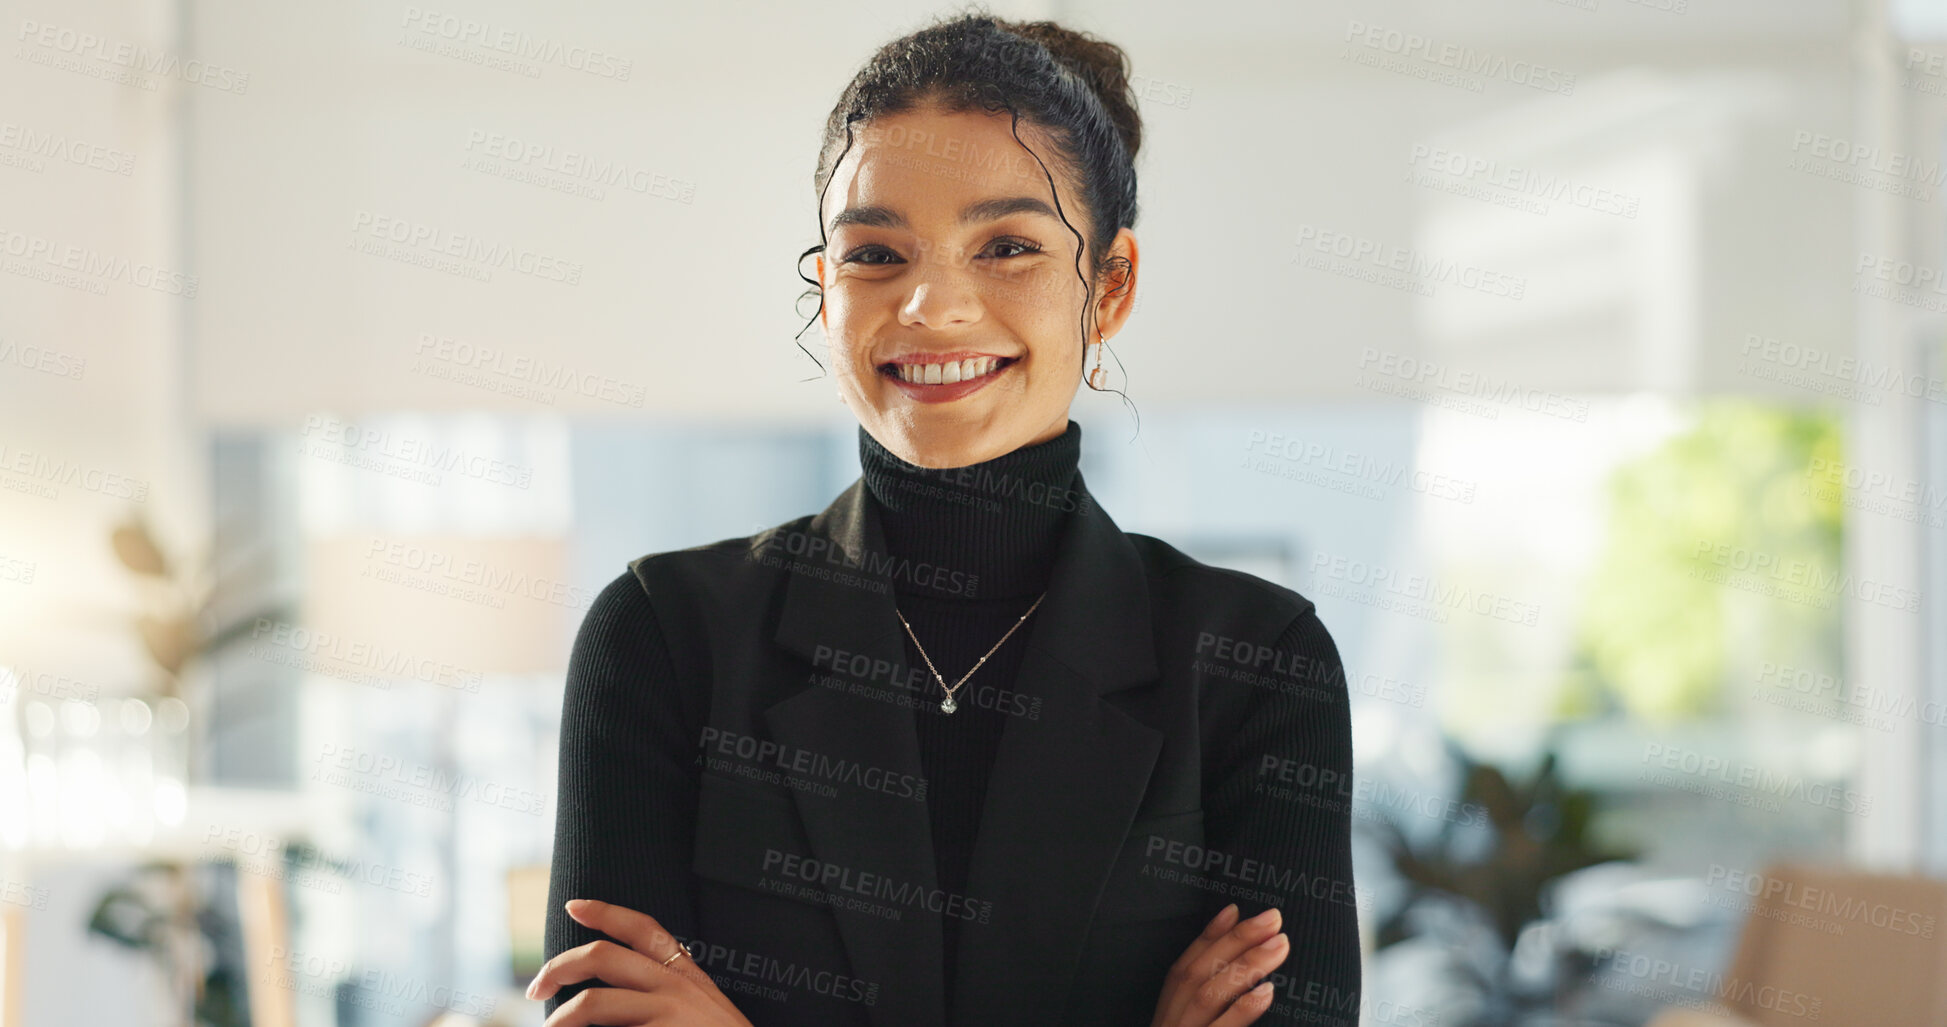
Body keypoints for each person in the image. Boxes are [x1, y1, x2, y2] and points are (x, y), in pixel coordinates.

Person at [528, 9, 1360, 1025]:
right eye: (876, 255)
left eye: (1006, 245)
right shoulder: (661, 636)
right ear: (826, 287)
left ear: (1110, 286)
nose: (932, 305)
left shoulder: (1259, 663)